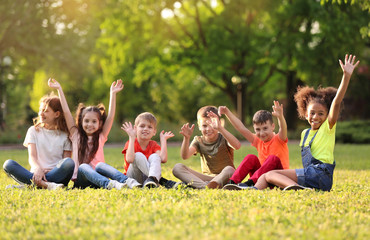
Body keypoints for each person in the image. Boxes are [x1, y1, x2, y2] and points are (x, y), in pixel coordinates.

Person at [253, 54, 359, 191]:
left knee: (271, 174)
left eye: (321, 114)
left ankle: (296, 188)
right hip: (311, 177)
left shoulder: (328, 127)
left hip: (321, 175)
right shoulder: (305, 133)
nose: (316, 117)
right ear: (305, 113)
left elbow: (337, 102)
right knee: (266, 176)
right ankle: (252, 189)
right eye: (312, 113)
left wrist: (346, 77)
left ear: (327, 115)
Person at [48, 78, 140, 190]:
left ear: (100, 123)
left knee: (100, 165)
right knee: (83, 167)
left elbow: (110, 116)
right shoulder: (76, 135)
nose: (89, 124)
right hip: (82, 181)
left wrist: (113, 94)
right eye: (86, 121)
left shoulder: (101, 137)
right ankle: (111, 184)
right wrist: (59, 89)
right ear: (81, 122)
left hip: (98, 180)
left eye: (94, 121)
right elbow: (66, 111)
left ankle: (127, 181)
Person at [3, 94, 74, 190]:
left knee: (69, 163)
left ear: (57, 114)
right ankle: (47, 185)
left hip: (55, 174)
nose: (41, 113)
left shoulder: (65, 135)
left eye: (45, 111)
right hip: (36, 173)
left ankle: (31, 186)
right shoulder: (33, 131)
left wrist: (52, 170)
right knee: (8, 164)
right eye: (40, 110)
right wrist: (38, 169)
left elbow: (66, 160)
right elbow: (32, 156)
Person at [221, 100, 289, 190]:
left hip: (277, 178)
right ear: (254, 129)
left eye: (265, 128)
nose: (262, 133)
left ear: (272, 126)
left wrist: (280, 117)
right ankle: (232, 183)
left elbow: (283, 128)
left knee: (273, 159)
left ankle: (250, 183)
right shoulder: (258, 141)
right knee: (251, 157)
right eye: (258, 129)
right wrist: (227, 112)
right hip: (262, 179)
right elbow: (241, 128)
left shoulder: (279, 139)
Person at [172, 106, 241, 189]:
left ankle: (200, 185)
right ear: (199, 126)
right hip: (207, 179)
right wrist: (186, 138)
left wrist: (220, 128)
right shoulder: (198, 140)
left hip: (225, 177)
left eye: (212, 125)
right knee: (177, 168)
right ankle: (205, 187)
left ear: (218, 123)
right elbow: (185, 156)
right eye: (204, 126)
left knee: (230, 170)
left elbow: (237, 146)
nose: (208, 129)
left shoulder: (224, 137)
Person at [121, 112, 177, 188]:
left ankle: (151, 181)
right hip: (132, 178)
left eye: (150, 127)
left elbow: (163, 159)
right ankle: (160, 180)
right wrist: (132, 137)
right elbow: (130, 159)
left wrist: (163, 140)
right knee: (138, 156)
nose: (145, 129)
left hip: (147, 178)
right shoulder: (131, 142)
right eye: (142, 126)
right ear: (135, 129)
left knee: (155, 156)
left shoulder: (153, 145)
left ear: (154, 132)